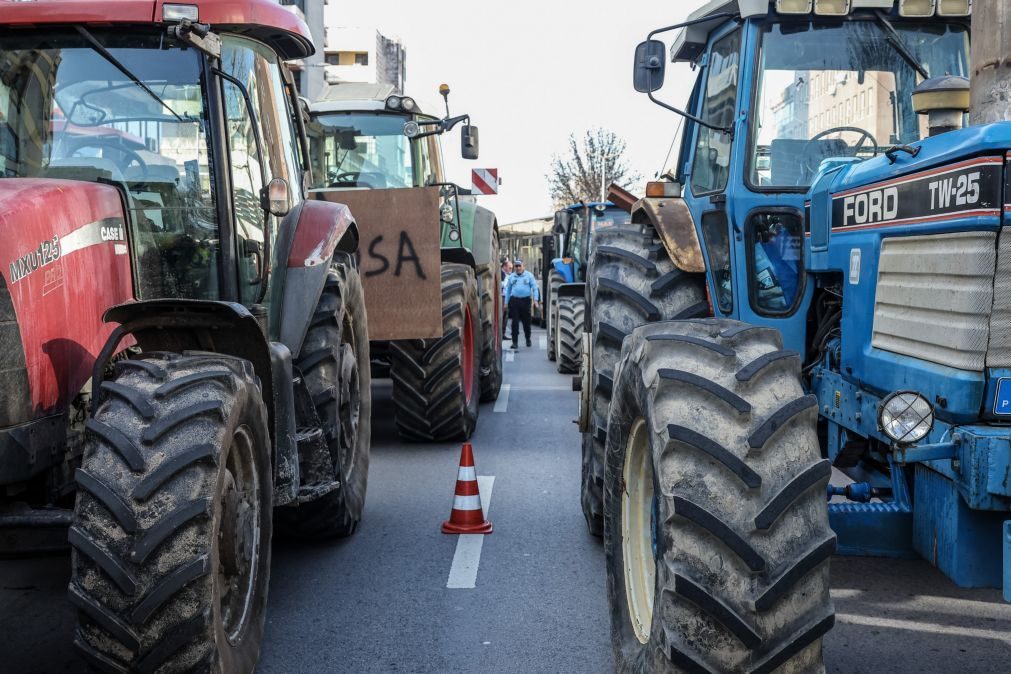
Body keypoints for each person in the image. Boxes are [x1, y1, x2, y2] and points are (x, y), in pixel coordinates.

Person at [505, 258, 540, 348]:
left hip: (525, 301)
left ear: (523, 266)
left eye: (519, 266)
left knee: (526, 323)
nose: (518, 268)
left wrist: (536, 300)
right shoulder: (512, 277)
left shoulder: (529, 276)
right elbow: (508, 290)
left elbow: (535, 288)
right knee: (514, 323)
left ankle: (528, 339)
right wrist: (506, 303)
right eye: (516, 266)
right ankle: (515, 342)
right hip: (515, 301)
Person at [500, 258, 512, 338]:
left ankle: (503, 334)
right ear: (504, 266)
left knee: (505, 316)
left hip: (507, 297)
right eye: (509, 268)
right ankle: (501, 334)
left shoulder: (509, 275)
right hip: (502, 297)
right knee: (502, 315)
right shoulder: (500, 273)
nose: (510, 270)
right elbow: (501, 285)